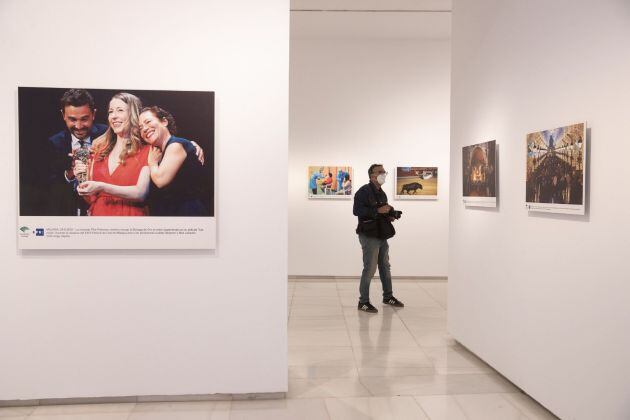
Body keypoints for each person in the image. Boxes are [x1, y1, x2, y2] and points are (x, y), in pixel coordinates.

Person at [76, 92, 151, 215]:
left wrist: (102, 186)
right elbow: (91, 199)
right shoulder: (99, 150)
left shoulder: (147, 150)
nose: (113, 116)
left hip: (131, 221)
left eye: (120, 110)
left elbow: (141, 193)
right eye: (111, 112)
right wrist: (82, 182)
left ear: (133, 114)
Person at [46, 89, 108, 215]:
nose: (78, 126)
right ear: (63, 115)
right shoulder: (54, 143)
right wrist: (70, 173)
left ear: (93, 114)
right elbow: (49, 187)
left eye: (84, 119)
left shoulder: (107, 134)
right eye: (72, 120)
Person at [353, 164, 404, 313]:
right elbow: (357, 211)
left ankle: (388, 297)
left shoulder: (381, 193)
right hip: (369, 235)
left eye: (384, 172)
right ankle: (363, 302)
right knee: (370, 268)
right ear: (372, 175)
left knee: (385, 266)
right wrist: (377, 210)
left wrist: (390, 214)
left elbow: (382, 210)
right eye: (380, 172)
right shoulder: (363, 192)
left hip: (381, 234)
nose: (384, 174)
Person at [139, 106, 208, 216]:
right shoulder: (160, 152)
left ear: (164, 121)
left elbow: (161, 181)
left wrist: (152, 163)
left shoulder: (175, 145)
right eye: (140, 128)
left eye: (148, 122)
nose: (144, 129)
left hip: (187, 214)